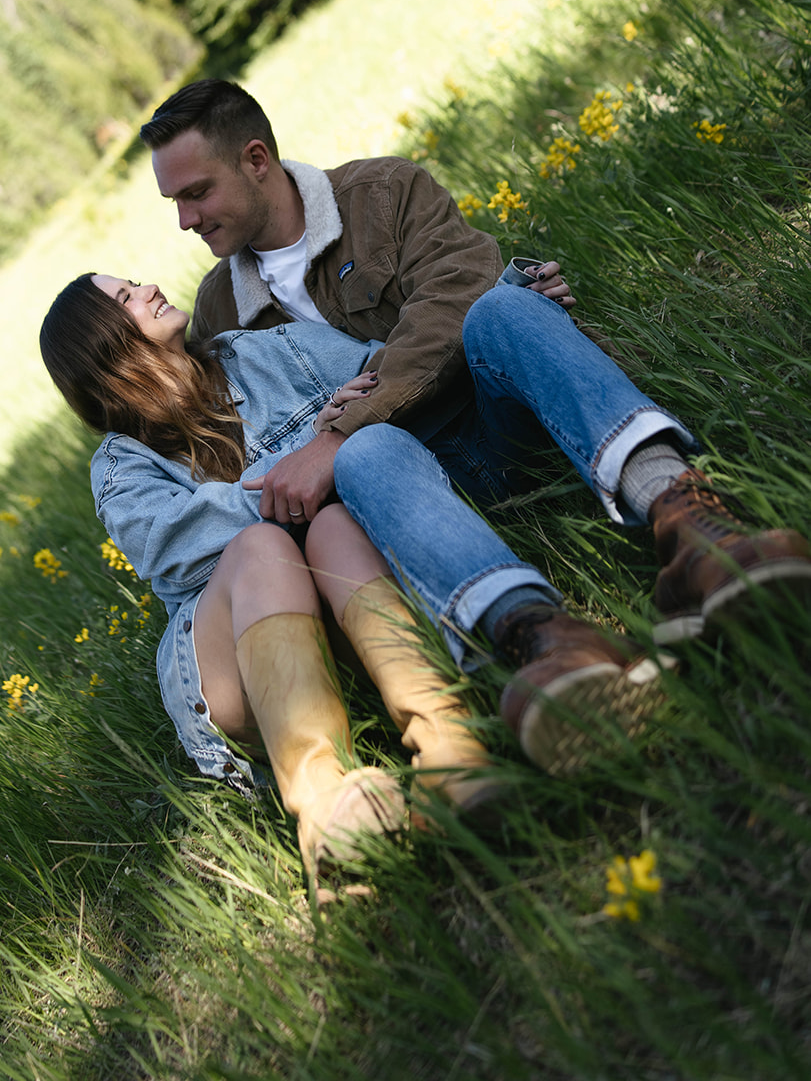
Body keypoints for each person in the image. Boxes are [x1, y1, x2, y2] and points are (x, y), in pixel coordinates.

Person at [39, 272, 677, 880]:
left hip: (345, 607)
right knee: (263, 545)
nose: (148, 286)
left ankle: (451, 752)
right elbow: (183, 550)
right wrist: (313, 453)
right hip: (240, 664)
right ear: (107, 349)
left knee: (336, 524)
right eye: (127, 296)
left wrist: (505, 307)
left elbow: (385, 374)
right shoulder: (123, 468)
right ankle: (323, 803)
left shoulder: (262, 352)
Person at [141, 80, 811, 647]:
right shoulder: (219, 313)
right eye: (173, 202)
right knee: (372, 448)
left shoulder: (383, 194)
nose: (183, 220)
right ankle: (540, 641)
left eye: (195, 193)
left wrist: (335, 431)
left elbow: (454, 297)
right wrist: (344, 443)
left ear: (256, 160)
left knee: (499, 310)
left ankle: (691, 526)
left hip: (504, 423)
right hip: (402, 499)